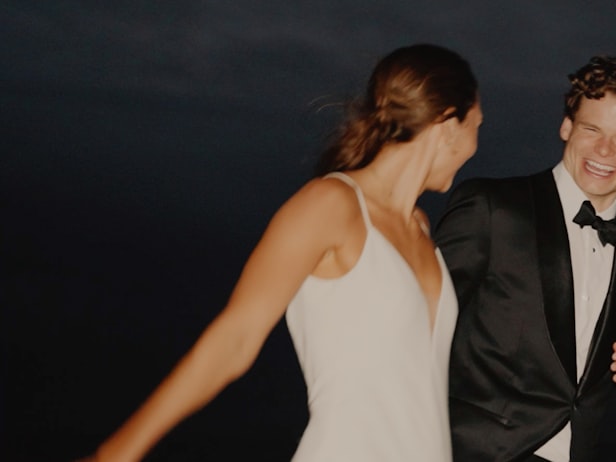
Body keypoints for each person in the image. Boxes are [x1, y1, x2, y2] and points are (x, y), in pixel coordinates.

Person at [86, 43, 481, 462]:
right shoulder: (330, 205)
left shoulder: (420, 228)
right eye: (477, 125)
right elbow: (234, 339)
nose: (476, 144)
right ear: (447, 124)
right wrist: (117, 453)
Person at [434, 55, 616, 462]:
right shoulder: (492, 208)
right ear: (567, 127)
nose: (604, 149)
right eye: (592, 129)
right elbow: (418, 326)